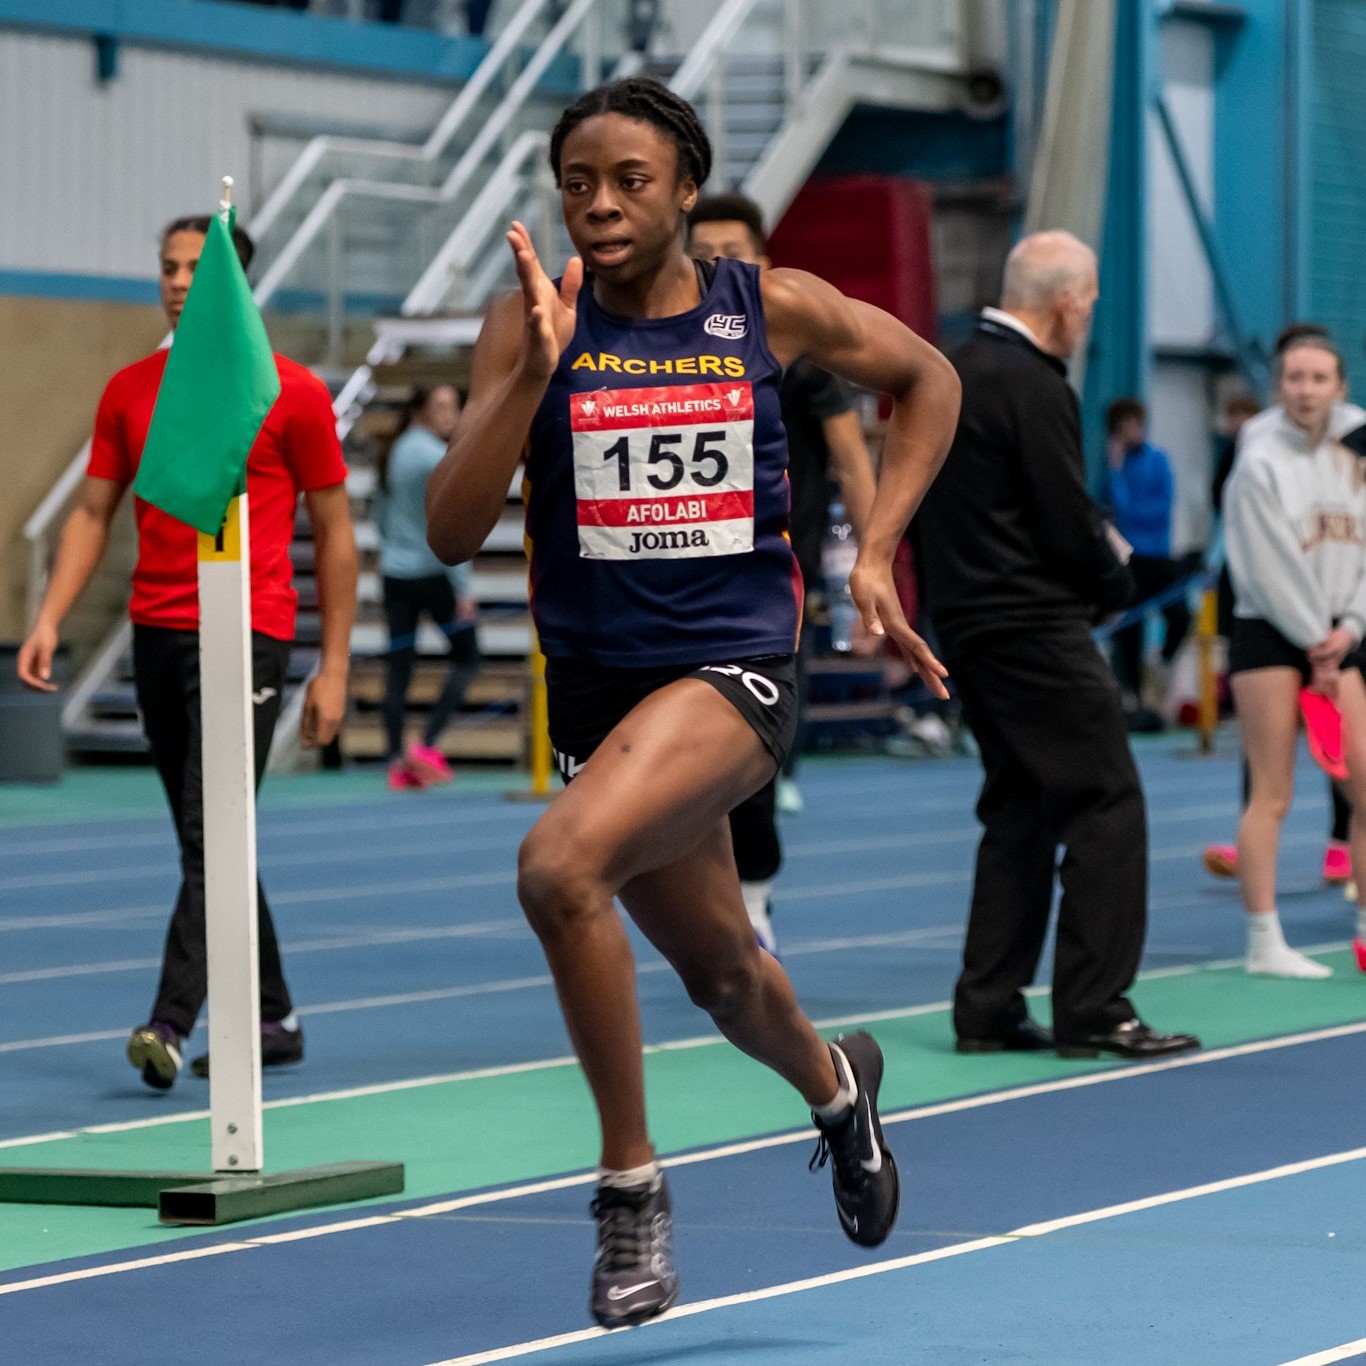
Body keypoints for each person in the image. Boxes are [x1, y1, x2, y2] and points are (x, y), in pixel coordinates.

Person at [424, 77, 960, 1328]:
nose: (601, 206)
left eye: (630, 182)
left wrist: (877, 552)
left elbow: (927, 380)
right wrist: (529, 380)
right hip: (605, 696)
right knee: (724, 975)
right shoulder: (528, 327)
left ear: (685, 190)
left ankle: (630, 1194)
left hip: (736, 670)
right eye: (577, 185)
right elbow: (452, 534)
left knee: (559, 870)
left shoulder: (763, 307)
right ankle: (838, 1085)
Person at [17, 215, 357, 1089]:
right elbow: (94, 511)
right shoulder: (132, 388)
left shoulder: (292, 392)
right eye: (166, 267)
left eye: (194, 270)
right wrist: (50, 617)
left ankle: (168, 1020)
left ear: (236, 287)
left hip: (251, 631)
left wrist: (337, 666)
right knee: (207, 840)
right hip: (157, 632)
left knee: (213, 837)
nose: (176, 281)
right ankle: (275, 1012)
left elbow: (335, 530)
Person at [915, 230, 1200, 1062]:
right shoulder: (1035, 383)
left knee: (1020, 809)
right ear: (1069, 303)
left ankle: (989, 1006)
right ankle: (1096, 1007)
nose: (1089, 318)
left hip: (968, 621)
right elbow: (1065, 518)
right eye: (1091, 304)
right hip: (1035, 626)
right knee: (1106, 803)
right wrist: (1118, 584)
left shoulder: (949, 369)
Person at [686, 191, 878, 952]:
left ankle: (755, 899)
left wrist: (875, 565)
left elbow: (854, 463)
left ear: (765, 255)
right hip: (677, 582)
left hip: (771, 586)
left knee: (753, 758)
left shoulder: (794, 350)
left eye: (735, 249)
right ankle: (706, 903)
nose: (721, 264)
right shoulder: (663, 347)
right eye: (706, 252)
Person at [1222, 333, 1366, 978]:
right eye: (1295, 378)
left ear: (1341, 386)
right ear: (1279, 386)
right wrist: (1317, 642)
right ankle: (1264, 940)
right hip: (1273, 631)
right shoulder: (1258, 460)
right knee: (1272, 789)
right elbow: (1266, 563)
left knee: (1363, 783)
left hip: (1341, 633)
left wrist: (1353, 627)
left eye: (1319, 378)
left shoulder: (1358, 453)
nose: (1306, 390)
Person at [376, 384, 480, 790]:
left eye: (454, 406)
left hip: (395, 576)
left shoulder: (397, 450)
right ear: (420, 410)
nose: (449, 414)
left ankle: (394, 758)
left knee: (399, 667)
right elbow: (455, 523)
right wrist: (465, 589)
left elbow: (383, 518)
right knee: (468, 657)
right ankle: (427, 745)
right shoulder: (434, 456)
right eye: (440, 406)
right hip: (432, 577)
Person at [1104, 397, 1191, 713]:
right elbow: (1117, 511)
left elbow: (1158, 507)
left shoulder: (1158, 460)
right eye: (1125, 426)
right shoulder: (1116, 467)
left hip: (1159, 555)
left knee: (1180, 616)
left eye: (1136, 424)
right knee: (1128, 629)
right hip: (1130, 559)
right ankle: (1136, 699)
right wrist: (1115, 470)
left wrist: (1130, 511)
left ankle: (1162, 662)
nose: (1132, 431)